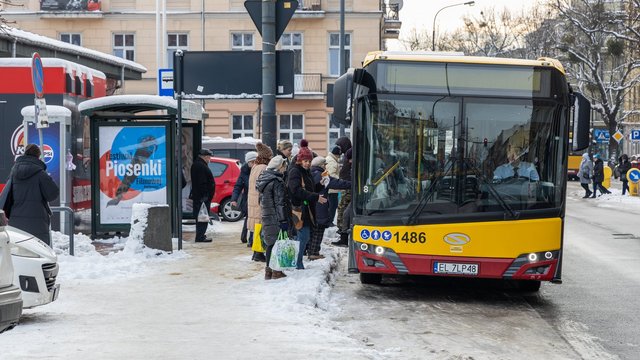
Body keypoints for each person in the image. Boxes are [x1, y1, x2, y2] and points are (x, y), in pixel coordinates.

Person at [6, 144, 59, 246]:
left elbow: (7, 195)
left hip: (16, 221)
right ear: (38, 156)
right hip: (37, 222)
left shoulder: (13, 173)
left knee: (19, 251)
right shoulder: (40, 174)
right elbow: (53, 194)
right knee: (38, 252)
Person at [287, 140, 327, 269]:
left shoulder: (306, 172)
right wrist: (315, 197)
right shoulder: (295, 171)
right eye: (305, 161)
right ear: (300, 160)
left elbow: (309, 189)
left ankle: (297, 262)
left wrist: (321, 184)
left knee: (304, 236)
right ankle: (297, 263)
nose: (308, 163)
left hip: (306, 209)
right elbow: (296, 191)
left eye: (309, 161)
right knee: (303, 236)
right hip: (298, 209)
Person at [256, 155, 291, 280]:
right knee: (278, 243)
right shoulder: (276, 182)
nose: (285, 169)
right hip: (276, 216)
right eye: (284, 166)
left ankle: (268, 271)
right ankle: (276, 271)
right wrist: (283, 220)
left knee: (271, 243)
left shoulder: (264, 179)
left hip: (266, 215)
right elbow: (280, 203)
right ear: (279, 166)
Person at [309, 156, 350, 260]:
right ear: (321, 165)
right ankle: (314, 252)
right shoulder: (322, 175)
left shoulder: (309, 173)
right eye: (325, 165)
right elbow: (335, 183)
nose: (326, 166)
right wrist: (351, 184)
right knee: (319, 229)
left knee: (312, 230)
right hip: (319, 206)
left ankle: (309, 250)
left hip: (311, 206)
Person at [247, 142, 273, 261]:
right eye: (270, 157)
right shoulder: (263, 168)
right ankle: (258, 253)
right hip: (259, 201)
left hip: (253, 200)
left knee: (257, 226)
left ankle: (256, 252)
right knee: (260, 226)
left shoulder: (255, 166)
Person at [231, 151, 257, 243]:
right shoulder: (244, 171)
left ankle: (250, 239)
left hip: (257, 199)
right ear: (248, 162)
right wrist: (234, 199)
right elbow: (238, 186)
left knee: (252, 218)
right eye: (251, 162)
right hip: (248, 199)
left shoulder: (259, 170)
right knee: (249, 217)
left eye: (255, 161)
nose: (254, 163)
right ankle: (246, 237)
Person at [190, 149, 215, 242]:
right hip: (202, 198)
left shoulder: (199, 164)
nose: (210, 159)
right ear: (204, 156)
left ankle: (200, 235)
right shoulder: (200, 166)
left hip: (201, 197)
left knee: (202, 216)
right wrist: (205, 196)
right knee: (202, 217)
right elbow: (202, 183)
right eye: (209, 157)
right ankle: (200, 237)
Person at [333, 137, 352, 247]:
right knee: (342, 210)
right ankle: (342, 234)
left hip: (347, 186)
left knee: (343, 210)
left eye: (340, 146)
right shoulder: (348, 154)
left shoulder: (349, 154)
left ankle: (343, 235)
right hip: (345, 185)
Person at [325, 145, 342, 225]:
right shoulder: (332, 161)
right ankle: (329, 221)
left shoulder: (330, 159)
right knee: (332, 205)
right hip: (332, 188)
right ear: (337, 154)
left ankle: (329, 220)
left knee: (331, 205)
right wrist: (340, 180)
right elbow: (331, 174)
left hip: (331, 188)